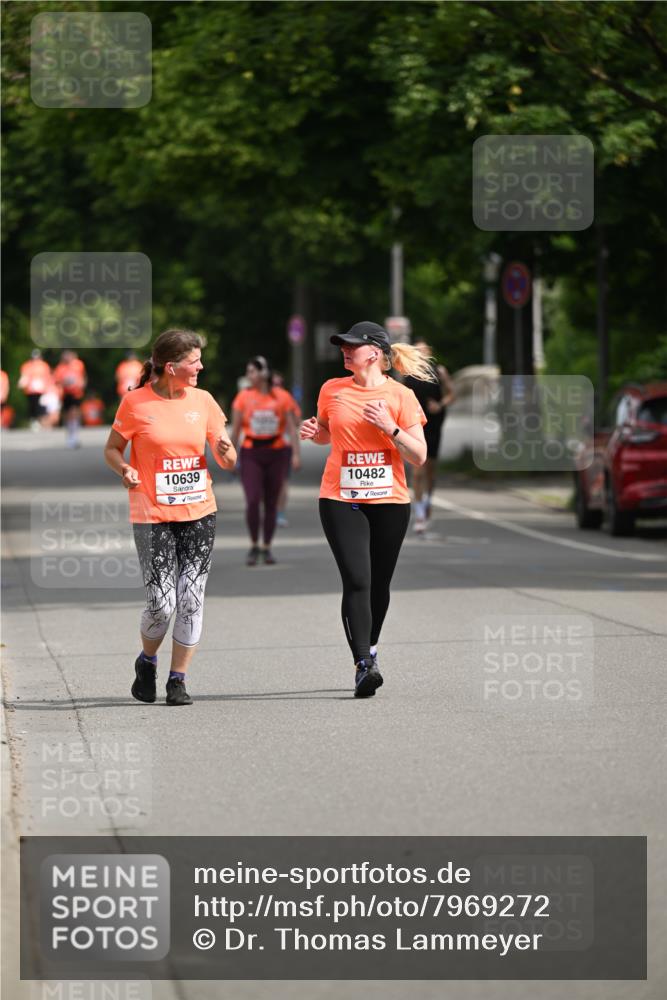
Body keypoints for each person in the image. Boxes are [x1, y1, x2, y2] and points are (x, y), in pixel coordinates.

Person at [103, 328, 237, 706]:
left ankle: (178, 679)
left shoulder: (204, 401)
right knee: (161, 603)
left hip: (199, 512)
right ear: (170, 366)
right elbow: (112, 449)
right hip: (152, 514)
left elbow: (228, 460)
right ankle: (147, 661)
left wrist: (226, 451)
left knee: (191, 597)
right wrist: (124, 469)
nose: (201, 367)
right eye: (194, 362)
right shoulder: (135, 403)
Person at [301, 321, 429, 698]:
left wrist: (390, 427)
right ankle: (363, 664)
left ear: (374, 352)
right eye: (342, 345)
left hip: (389, 501)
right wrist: (316, 433)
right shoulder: (332, 390)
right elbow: (328, 431)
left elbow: (419, 455)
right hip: (341, 497)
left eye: (351, 345)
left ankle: (369, 650)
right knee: (357, 579)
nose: (344, 350)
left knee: (379, 584)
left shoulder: (400, 397)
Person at [230, 356, 300, 565]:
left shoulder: (281, 397)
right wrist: (231, 456)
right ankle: (253, 544)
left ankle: (266, 547)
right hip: (251, 452)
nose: (249, 376)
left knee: (271, 502)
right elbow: (235, 430)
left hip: (276, 452)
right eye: (248, 372)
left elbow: (291, 428)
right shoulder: (243, 397)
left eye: (252, 371)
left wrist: (296, 454)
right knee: (252, 500)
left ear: (264, 373)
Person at [403, 339, 455, 533]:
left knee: (430, 470)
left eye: (423, 350)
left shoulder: (439, 371)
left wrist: (440, 405)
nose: (420, 353)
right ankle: (419, 514)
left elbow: (451, 394)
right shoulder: (408, 372)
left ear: (430, 352)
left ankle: (427, 501)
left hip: (433, 423)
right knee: (417, 470)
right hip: (414, 423)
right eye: (416, 350)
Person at [272, 371, 302, 528]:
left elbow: (294, 424)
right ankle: (275, 512)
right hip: (264, 448)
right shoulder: (256, 397)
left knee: (282, 482)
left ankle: (279, 512)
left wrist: (296, 454)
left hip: (282, 447)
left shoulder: (285, 398)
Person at [53, 349, 87, 448]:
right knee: (68, 414)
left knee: (75, 412)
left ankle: (75, 436)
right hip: (66, 394)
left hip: (77, 393)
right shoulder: (60, 368)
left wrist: (83, 384)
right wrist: (65, 383)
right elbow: (57, 381)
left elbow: (83, 376)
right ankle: (70, 436)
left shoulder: (78, 365)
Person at [18, 349, 52, 430]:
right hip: (31, 390)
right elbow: (24, 376)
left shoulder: (44, 366)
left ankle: (42, 422)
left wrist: (48, 389)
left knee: (41, 406)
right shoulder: (27, 366)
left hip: (41, 390)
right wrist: (22, 382)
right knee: (32, 406)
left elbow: (47, 378)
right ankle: (34, 421)